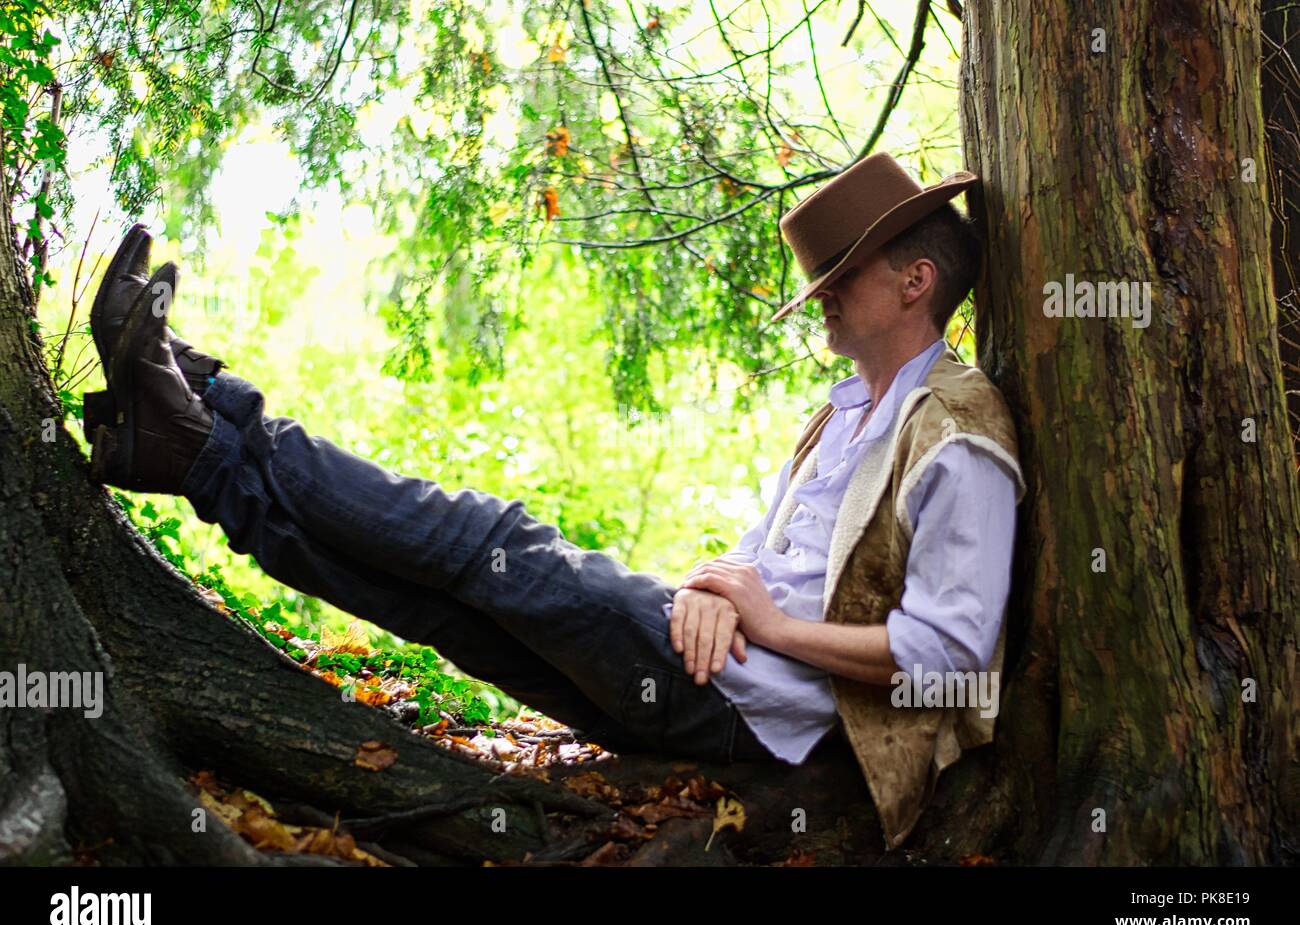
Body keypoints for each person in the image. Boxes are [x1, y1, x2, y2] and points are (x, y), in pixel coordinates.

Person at [84, 152, 1024, 847]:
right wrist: (711, 589)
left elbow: (954, 659)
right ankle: (190, 453)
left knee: (485, 539)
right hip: (705, 658)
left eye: (837, 278)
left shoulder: (959, 434)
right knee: (434, 602)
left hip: (751, 706)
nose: (819, 298)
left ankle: (212, 406)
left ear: (915, 281)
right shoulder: (844, 414)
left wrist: (769, 626)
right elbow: (758, 558)